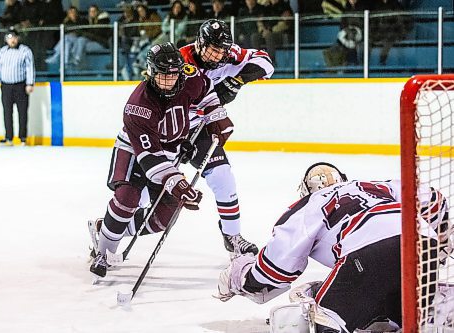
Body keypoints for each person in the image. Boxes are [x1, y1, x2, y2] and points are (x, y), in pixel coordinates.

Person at [216, 162, 452, 332]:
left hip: (368, 256)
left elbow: (275, 270)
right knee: (398, 310)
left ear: (305, 191)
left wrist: (241, 277)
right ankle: (412, 312)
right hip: (422, 245)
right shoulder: (374, 186)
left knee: (324, 320)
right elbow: (433, 200)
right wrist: (441, 235)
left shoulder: (308, 205)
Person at [90, 42, 234, 278]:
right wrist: (177, 182)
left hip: (168, 150)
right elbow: (149, 158)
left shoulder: (190, 77)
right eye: (162, 76)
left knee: (164, 216)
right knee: (129, 197)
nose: (169, 81)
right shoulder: (138, 105)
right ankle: (103, 252)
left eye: (173, 74)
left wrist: (217, 117)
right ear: (150, 72)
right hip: (134, 152)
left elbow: (207, 91)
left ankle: (106, 228)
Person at [178, 19, 274, 255]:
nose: (218, 54)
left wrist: (236, 80)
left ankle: (232, 236)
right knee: (154, 193)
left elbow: (266, 63)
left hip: (201, 127)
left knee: (223, 176)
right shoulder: (182, 61)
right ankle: (110, 230)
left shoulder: (228, 54)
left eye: (222, 49)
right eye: (213, 48)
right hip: (171, 129)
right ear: (200, 43)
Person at [0, 28, 35, 146]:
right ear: (6, 40)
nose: (12, 40)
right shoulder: (2, 52)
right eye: (10, 38)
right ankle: (8, 137)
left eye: (14, 37)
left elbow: (30, 68)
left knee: (22, 112)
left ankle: (22, 137)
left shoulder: (25, 51)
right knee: (7, 112)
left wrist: (30, 83)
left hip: (20, 85)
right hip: (6, 86)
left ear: (18, 38)